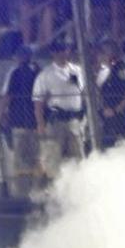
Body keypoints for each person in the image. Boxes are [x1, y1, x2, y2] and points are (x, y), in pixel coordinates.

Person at [32, 37, 86, 188]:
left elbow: (84, 92)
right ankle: (53, 189)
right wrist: (40, 124)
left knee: (77, 156)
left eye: (64, 50)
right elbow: (38, 102)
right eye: (59, 51)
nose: (63, 54)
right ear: (53, 53)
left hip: (75, 119)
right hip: (57, 120)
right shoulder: (46, 74)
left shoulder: (77, 71)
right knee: (53, 157)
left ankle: (77, 187)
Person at [0, 46, 42, 197]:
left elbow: (7, 96)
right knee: (36, 157)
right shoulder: (38, 71)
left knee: (20, 158)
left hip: (19, 121)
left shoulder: (16, 73)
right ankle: (37, 189)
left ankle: (22, 191)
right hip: (35, 122)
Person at [95, 39, 125, 150]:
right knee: (107, 145)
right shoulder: (106, 70)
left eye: (104, 52)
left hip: (119, 116)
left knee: (119, 145)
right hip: (107, 114)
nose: (101, 55)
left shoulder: (120, 69)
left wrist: (116, 110)